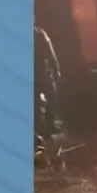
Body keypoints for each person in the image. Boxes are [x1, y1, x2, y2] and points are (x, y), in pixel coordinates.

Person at [34, 25, 63, 163]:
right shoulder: (40, 33)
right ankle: (48, 125)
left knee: (36, 102)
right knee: (51, 97)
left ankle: (41, 127)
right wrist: (56, 69)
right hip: (42, 73)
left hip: (36, 73)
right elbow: (50, 53)